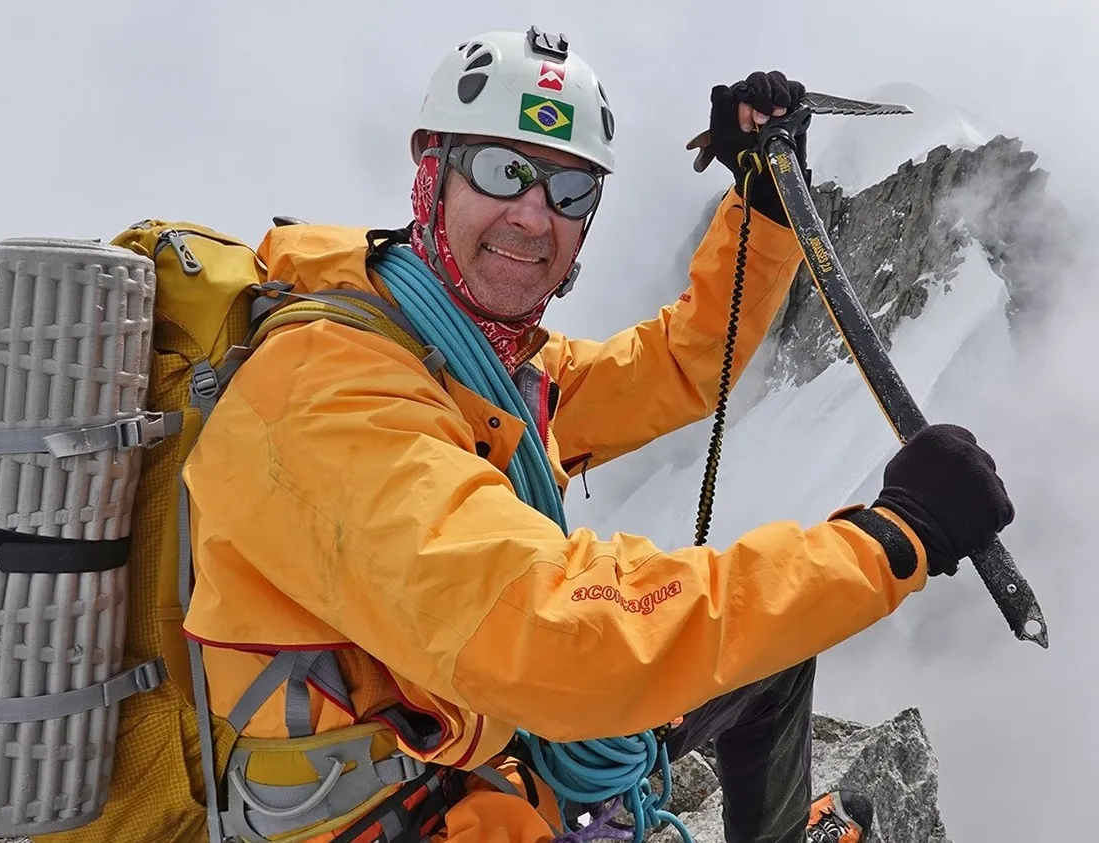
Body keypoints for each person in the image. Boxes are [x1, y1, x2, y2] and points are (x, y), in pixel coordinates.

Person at [181, 25, 1015, 843]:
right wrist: (889, 543)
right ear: (430, 176)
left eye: (569, 189)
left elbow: (678, 366)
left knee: (774, 655)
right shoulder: (326, 393)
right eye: (503, 170)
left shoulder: (487, 372)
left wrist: (760, 207)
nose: (533, 215)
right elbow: (549, 636)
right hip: (403, 810)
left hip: (481, 753)